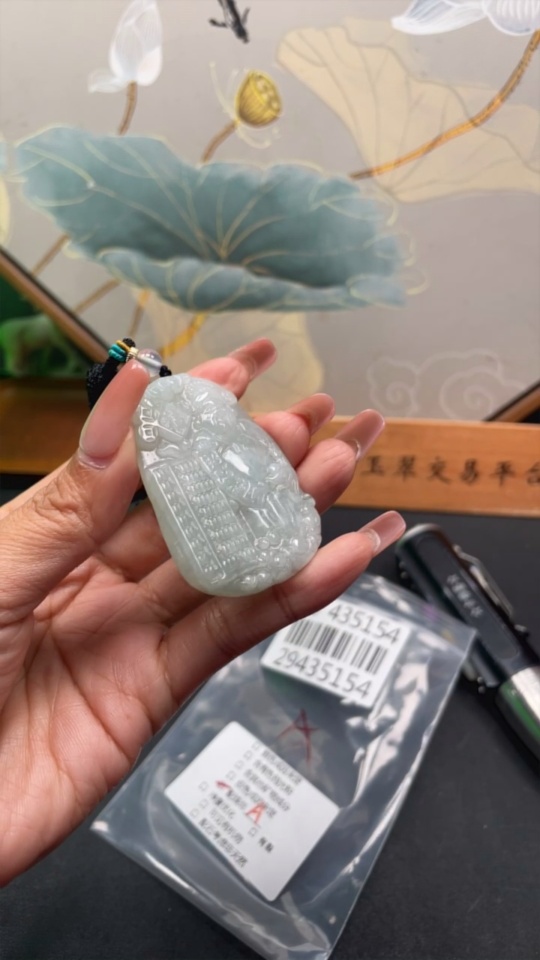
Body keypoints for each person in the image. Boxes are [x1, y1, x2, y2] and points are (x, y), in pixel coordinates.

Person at [0, 338, 405, 885]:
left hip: (254, 512)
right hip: (220, 528)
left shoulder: (200, 427)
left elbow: (255, 469)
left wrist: (252, 479)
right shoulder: (168, 443)